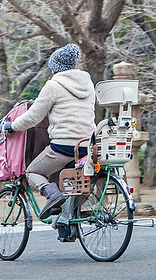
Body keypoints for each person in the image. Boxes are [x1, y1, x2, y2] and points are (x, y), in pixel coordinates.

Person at [5, 43, 96, 230]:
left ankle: (51, 195)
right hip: (87, 145)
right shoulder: (88, 83)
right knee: (61, 179)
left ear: (55, 67)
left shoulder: (53, 85)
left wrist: (12, 126)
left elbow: (33, 117)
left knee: (33, 172)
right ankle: (66, 225)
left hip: (64, 146)